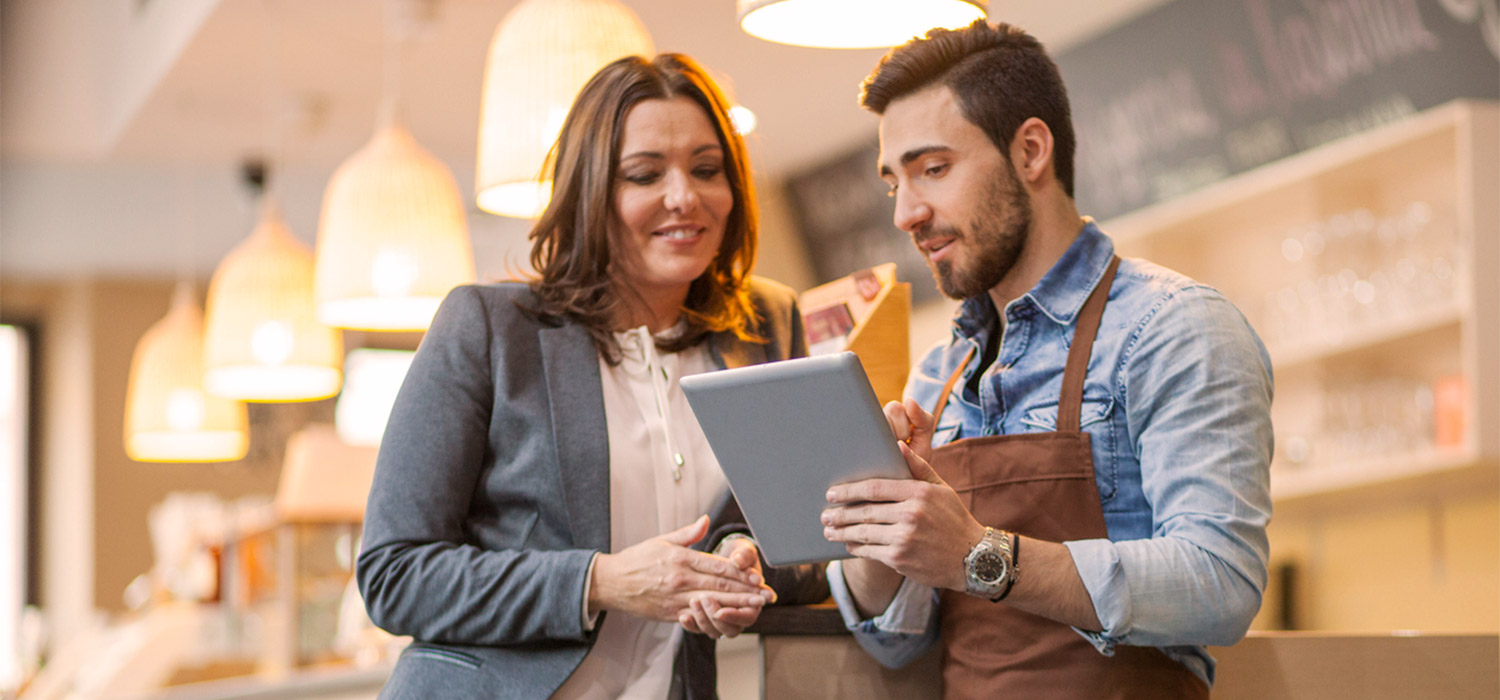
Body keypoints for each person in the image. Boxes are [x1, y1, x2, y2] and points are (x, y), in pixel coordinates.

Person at [819, 21, 1273, 699]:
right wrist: (881, 537)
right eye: (894, 184)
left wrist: (979, 555)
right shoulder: (938, 375)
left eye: (933, 169)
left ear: (1031, 151)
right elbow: (896, 644)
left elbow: (1220, 584)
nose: (907, 213)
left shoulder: (1173, 327)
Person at [357, 53, 827, 700]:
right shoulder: (490, 330)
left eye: (707, 169)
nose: (684, 197)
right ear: (590, 193)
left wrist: (745, 556)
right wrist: (599, 583)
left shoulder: (768, 324)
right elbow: (395, 575)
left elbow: (810, 551)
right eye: (644, 174)